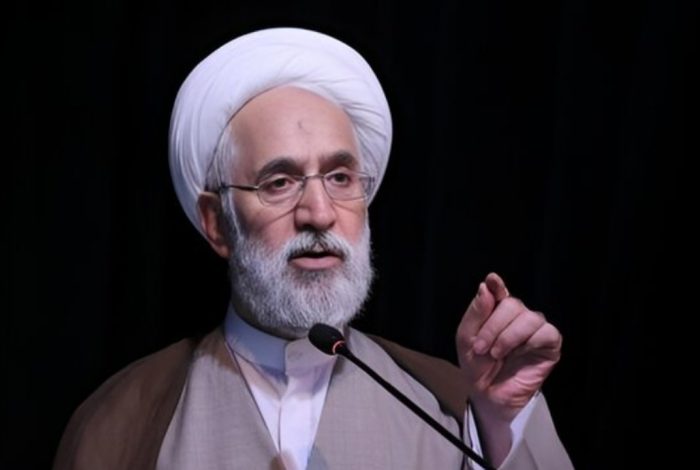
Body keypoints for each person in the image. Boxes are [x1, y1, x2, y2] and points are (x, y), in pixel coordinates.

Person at [53, 27, 573, 470]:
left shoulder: (450, 406)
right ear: (216, 223)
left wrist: (502, 421)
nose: (320, 213)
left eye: (340, 177)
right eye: (279, 182)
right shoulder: (123, 423)